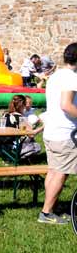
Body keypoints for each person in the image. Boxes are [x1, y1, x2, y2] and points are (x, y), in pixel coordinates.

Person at [38, 43, 77, 224]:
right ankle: (46, 213)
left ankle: (49, 208)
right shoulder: (71, 78)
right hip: (64, 133)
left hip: (51, 130)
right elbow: (66, 105)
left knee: (54, 171)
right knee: (61, 172)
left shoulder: (55, 76)